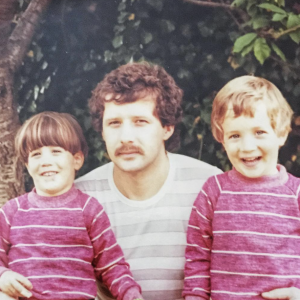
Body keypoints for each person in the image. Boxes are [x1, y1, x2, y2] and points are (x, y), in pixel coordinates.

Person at [74, 62, 222, 300]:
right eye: (114, 123)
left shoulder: (210, 186)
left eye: (140, 122)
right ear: (101, 131)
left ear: (167, 128)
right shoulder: (79, 198)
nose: (126, 137)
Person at [0, 112, 143, 300]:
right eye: (36, 155)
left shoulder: (89, 210)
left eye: (56, 152)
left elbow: (111, 265)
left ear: (77, 160)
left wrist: (131, 295)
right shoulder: (12, 211)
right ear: (27, 165)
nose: (45, 161)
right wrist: (3, 276)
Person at [183, 76, 300, 300]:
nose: (247, 147)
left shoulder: (296, 194)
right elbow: (197, 257)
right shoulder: (213, 191)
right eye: (235, 135)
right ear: (222, 140)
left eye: (259, 132)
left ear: (282, 134)